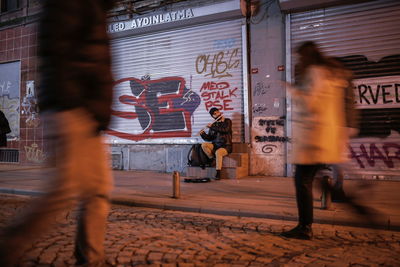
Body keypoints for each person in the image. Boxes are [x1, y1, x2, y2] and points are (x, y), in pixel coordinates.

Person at [0, 0, 116, 266]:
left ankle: (91, 258)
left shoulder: (96, 8)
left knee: (98, 191)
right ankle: (7, 249)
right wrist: (74, 102)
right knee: (64, 191)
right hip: (73, 109)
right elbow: (57, 54)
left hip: (90, 111)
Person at [281, 41, 353, 240]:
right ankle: (336, 195)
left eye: (300, 57)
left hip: (312, 140)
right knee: (309, 179)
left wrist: (291, 89)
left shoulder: (314, 73)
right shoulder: (331, 75)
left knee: (302, 182)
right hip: (323, 139)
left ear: (306, 57)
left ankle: (305, 227)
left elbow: (309, 103)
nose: (298, 61)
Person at [200, 107, 232, 180]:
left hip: (226, 146)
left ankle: (218, 172)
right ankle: (212, 159)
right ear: (213, 116)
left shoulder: (227, 121)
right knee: (204, 145)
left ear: (219, 112)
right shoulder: (213, 125)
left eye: (217, 112)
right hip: (215, 145)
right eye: (214, 114)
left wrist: (212, 127)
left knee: (218, 152)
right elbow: (210, 138)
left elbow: (225, 130)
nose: (216, 114)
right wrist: (203, 134)